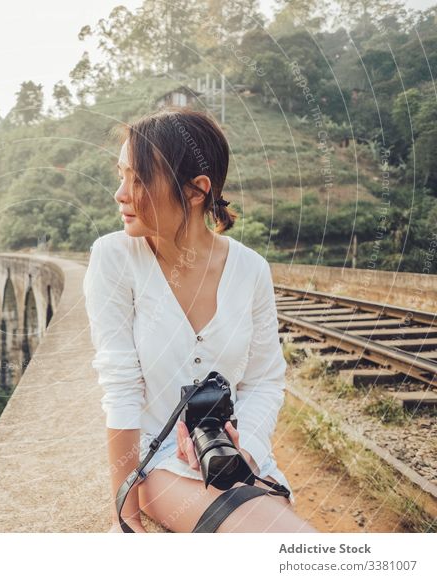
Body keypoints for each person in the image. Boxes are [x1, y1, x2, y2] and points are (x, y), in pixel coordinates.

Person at [82, 108, 318, 533]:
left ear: (196, 191)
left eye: (137, 180)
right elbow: (120, 387)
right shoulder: (114, 258)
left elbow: (264, 380)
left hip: (234, 459)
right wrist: (126, 518)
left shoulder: (250, 270)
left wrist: (249, 449)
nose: (120, 193)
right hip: (159, 463)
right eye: (121, 175)